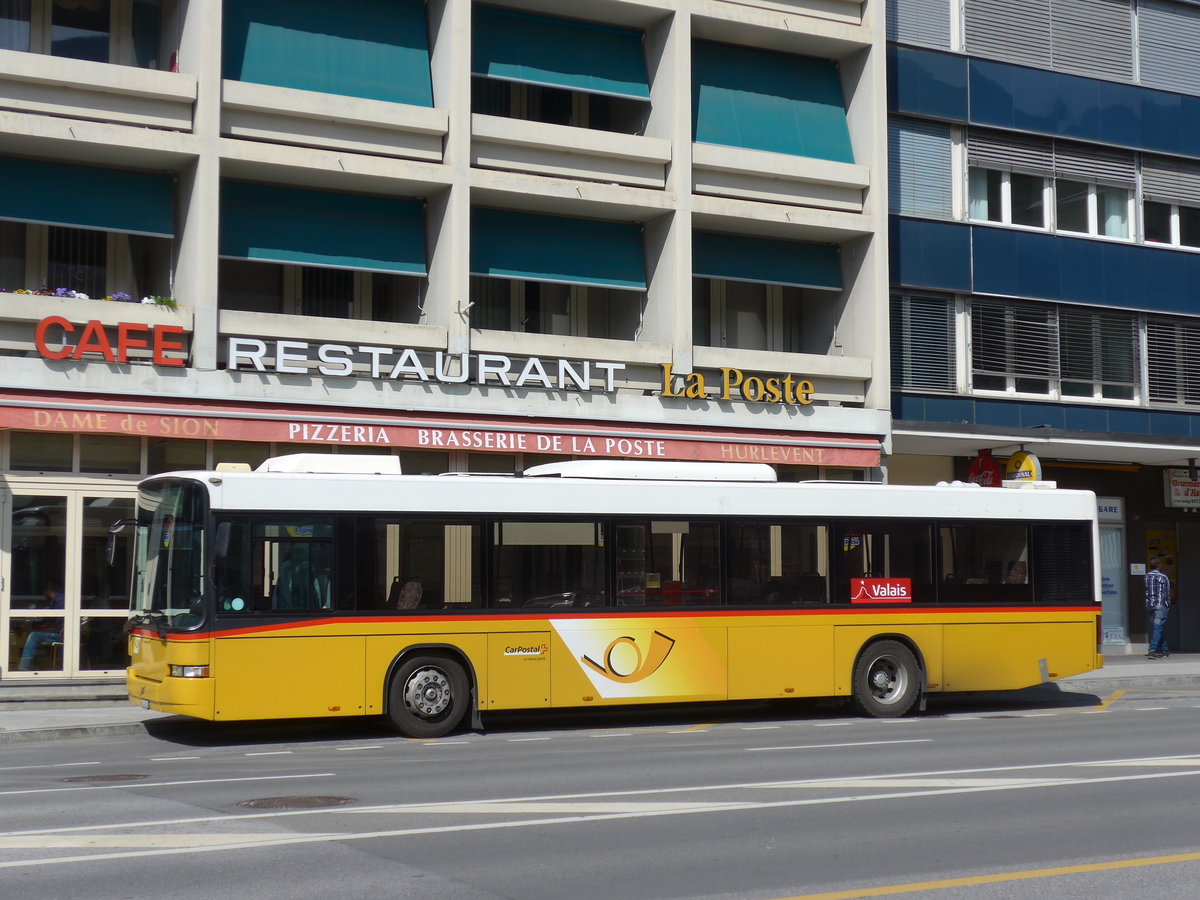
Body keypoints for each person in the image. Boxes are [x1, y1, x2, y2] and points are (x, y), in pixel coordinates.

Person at [19, 584, 65, 671]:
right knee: (35, 634)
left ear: (47, 592)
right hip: (61, 632)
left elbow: (63, 622)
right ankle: (26, 665)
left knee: (33, 635)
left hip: (62, 635)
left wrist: (49, 628)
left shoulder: (59, 600)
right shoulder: (58, 600)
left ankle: (24, 667)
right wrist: (48, 627)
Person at [1145, 555, 1171, 659]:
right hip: (1160, 604)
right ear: (1159, 565)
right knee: (1158, 627)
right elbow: (1167, 592)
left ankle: (1164, 649)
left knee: (1157, 627)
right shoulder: (1163, 577)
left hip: (1150, 604)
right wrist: (1168, 606)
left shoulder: (1146, 576)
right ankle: (1152, 650)